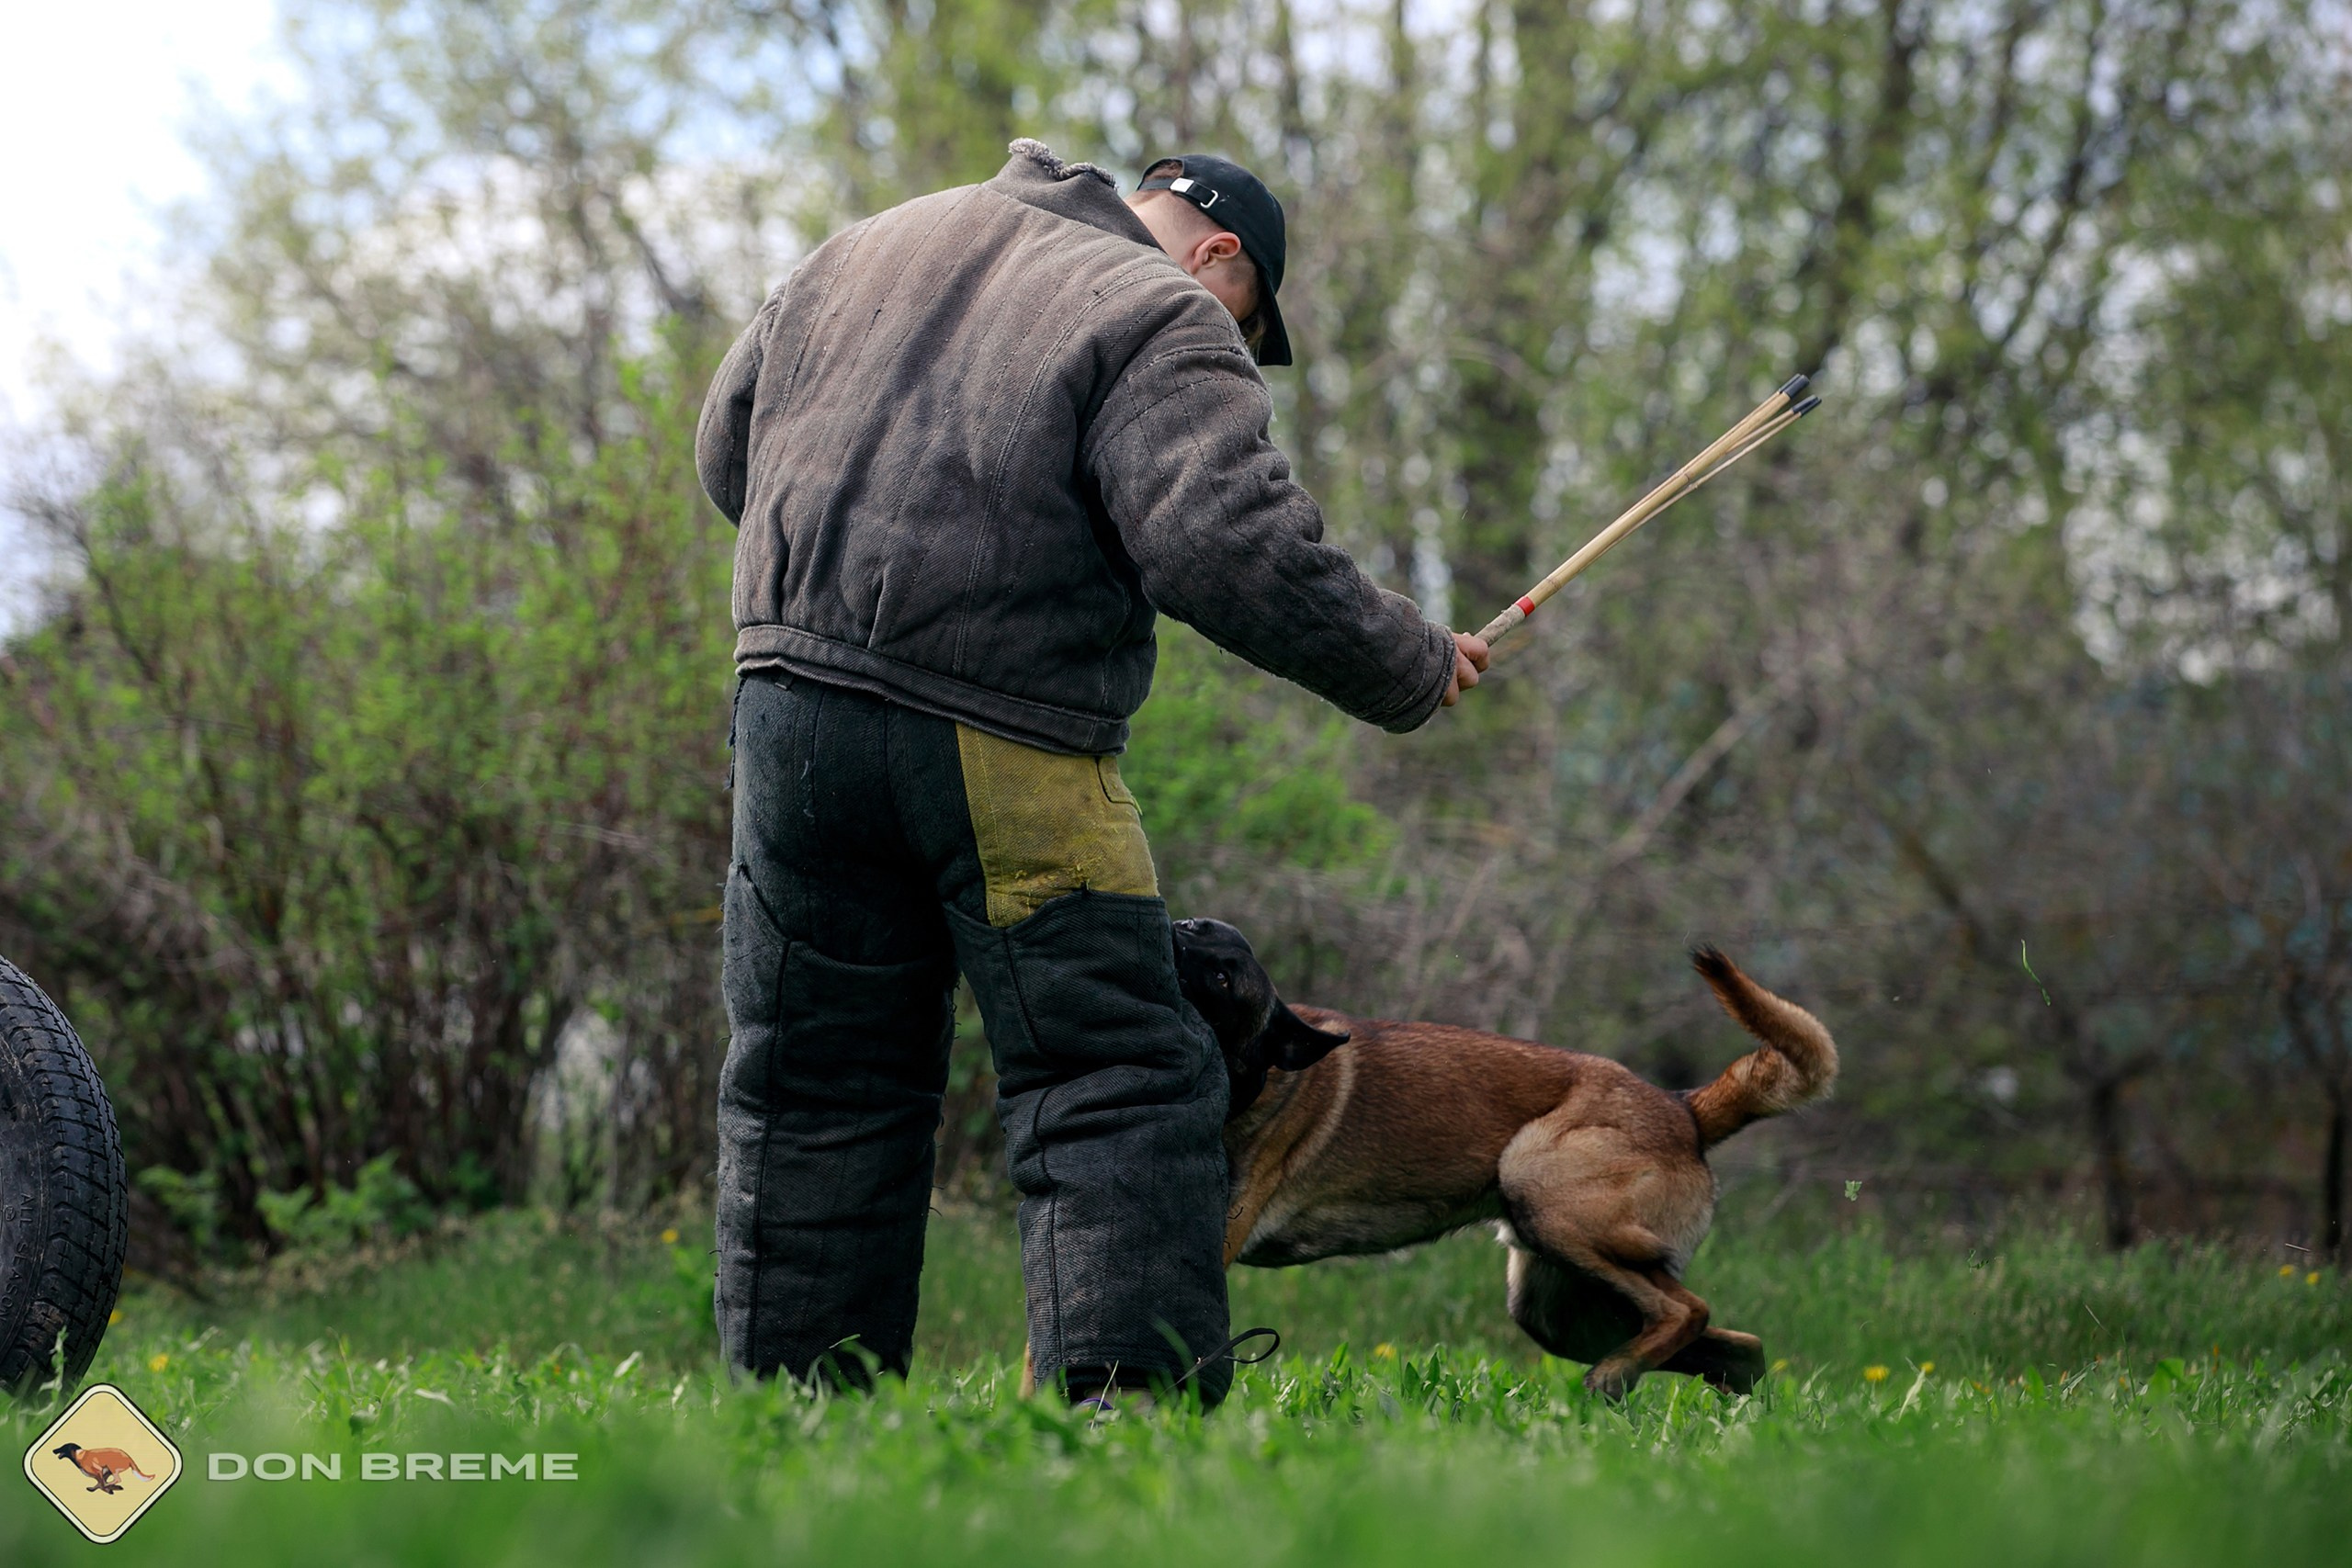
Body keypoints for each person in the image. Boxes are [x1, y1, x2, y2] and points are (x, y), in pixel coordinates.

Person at [695, 139, 1487, 1410]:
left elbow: (727, 450)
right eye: (1250, 322)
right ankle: (1130, 1416)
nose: (1235, 342)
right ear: (1220, 255)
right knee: (1118, 1070)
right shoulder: (1158, 306)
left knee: (811, 1079)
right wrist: (1407, 660)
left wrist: (846, 604)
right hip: (1006, 736)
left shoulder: (873, 243)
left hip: (788, 719)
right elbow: (1222, 542)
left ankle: (797, 1415)